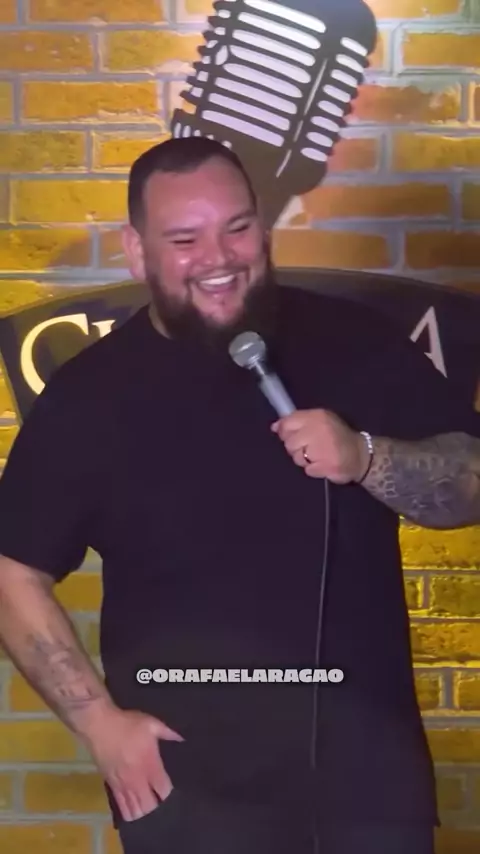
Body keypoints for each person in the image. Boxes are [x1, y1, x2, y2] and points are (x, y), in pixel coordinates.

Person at [0, 137, 478, 854]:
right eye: (184, 240)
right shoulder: (89, 398)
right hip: (191, 801)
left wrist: (366, 457)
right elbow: (13, 570)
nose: (219, 258)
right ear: (136, 252)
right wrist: (99, 724)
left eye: (238, 227)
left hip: (369, 792)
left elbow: (470, 479)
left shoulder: (357, 342)